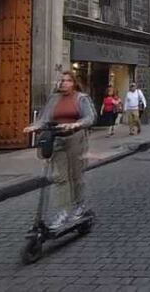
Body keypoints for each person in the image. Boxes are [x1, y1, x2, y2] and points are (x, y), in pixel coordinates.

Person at [24, 71, 96, 229]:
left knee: (76, 175)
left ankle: (79, 206)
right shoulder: (53, 98)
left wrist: (75, 124)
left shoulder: (81, 98)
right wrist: (35, 126)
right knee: (60, 177)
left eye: (68, 80)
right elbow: (45, 118)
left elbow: (90, 117)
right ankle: (63, 211)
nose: (64, 83)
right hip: (57, 138)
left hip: (75, 138)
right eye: (62, 80)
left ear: (74, 83)